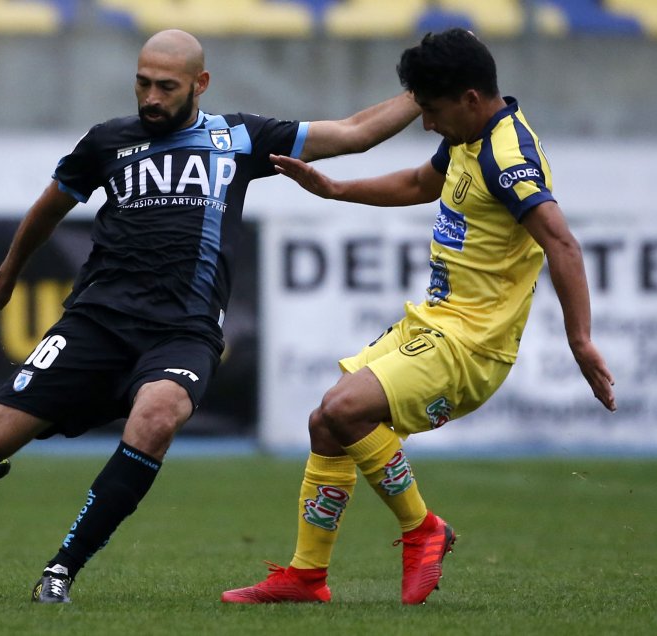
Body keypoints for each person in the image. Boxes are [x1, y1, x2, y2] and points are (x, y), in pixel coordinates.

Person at [0, 29, 422, 604]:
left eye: (166, 87)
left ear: (199, 85)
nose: (150, 97)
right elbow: (49, 207)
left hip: (183, 331)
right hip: (96, 322)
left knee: (157, 417)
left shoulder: (240, 138)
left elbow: (354, 133)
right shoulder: (107, 142)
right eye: (142, 83)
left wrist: (426, 87)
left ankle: (61, 569)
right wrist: (7, 277)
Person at [221, 28, 617, 606]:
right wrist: (335, 189)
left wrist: (580, 341)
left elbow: (562, 243)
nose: (427, 123)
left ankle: (422, 528)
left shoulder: (509, 157)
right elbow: (416, 183)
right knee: (325, 424)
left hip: (471, 346)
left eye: (431, 111)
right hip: (434, 323)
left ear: (471, 98)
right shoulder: (469, 136)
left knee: (343, 409)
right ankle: (307, 577)